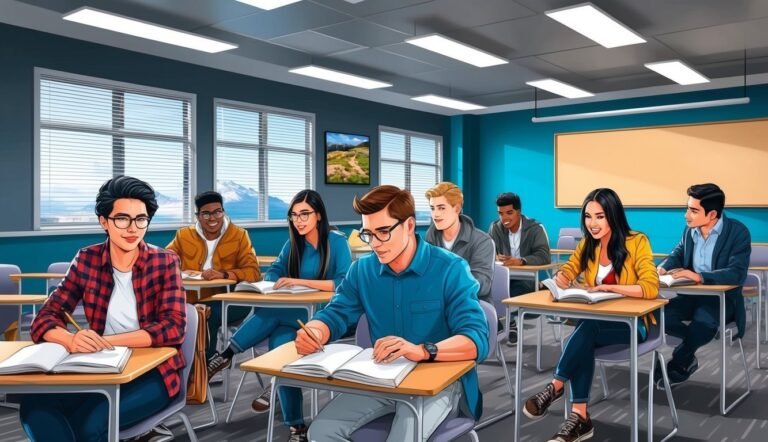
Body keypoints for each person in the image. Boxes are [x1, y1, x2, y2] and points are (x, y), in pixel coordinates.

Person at [297, 185, 489, 442]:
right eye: (368, 234)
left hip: (441, 382)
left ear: (409, 226)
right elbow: (336, 313)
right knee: (320, 432)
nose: (375, 243)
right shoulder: (362, 270)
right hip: (382, 377)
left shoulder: (451, 268)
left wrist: (422, 350)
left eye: (383, 232)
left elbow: (476, 339)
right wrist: (316, 331)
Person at [19, 176, 186, 442]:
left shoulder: (165, 261)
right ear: (104, 221)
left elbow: (173, 328)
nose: (132, 228)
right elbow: (45, 318)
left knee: (90, 426)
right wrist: (71, 340)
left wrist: (105, 341)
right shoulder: (87, 258)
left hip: (154, 373)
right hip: (97, 368)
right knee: (35, 408)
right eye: (122, 218)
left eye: (140, 219)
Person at [207, 189, 351, 442]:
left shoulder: (337, 242)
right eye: (294, 215)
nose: (299, 220)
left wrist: (298, 281)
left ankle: (226, 355)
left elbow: (343, 283)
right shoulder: (293, 243)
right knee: (281, 348)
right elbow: (274, 270)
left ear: (318, 215)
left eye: (305, 214)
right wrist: (272, 282)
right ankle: (297, 427)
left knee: (272, 312)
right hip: (292, 320)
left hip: (322, 320)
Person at [522, 188, 658, 442]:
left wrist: (609, 287)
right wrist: (559, 281)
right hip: (596, 323)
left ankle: (556, 386)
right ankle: (579, 416)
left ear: (613, 216)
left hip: (633, 326)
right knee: (586, 333)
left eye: (600, 216)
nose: (592, 224)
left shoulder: (637, 241)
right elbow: (570, 268)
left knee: (586, 330)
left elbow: (650, 287)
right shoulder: (587, 244)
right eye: (587, 216)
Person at [657, 183, 751, 386]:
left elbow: (737, 273)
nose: (686, 215)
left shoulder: (738, 232)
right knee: (658, 315)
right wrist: (662, 268)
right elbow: (678, 254)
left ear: (712, 214)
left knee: (703, 322)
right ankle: (689, 353)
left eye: (693, 211)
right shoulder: (690, 231)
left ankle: (680, 360)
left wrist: (699, 276)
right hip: (690, 296)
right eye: (687, 208)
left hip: (723, 300)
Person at [166, 190, 260, 358]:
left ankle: (205, 369)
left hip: (230, 300)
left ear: (223, 211)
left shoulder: (239, 235)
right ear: (198, 216)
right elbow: (165, 262)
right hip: (191, 298)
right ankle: (179, 366)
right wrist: (180, 270)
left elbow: (253, 272)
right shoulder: (183, 235)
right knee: (175, 313)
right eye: (206, 214)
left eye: (217, 212)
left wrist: (224, 275)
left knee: (205, 314)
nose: (213, 218)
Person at [488, 192, 551, 344]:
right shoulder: (495, 227)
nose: (504, 219)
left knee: (512, 291)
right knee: (484, 290)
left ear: (519, 212)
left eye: (509, 213)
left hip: (525, 279)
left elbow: (544, 256)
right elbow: (487, 251)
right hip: (504, 277)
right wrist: (494, 257)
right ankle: (506, 323)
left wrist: (522, 261)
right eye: (501, 214)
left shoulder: (535, 228)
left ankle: (509, 323)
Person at [424, 182, 494, 301]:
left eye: (441, 208)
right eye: (432, 208)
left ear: (456, 209)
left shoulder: (482, 241)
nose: (435, 214)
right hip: (436, 303)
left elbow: (482, 284)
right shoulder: (431, 236)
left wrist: (444, 284)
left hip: (472, 304)